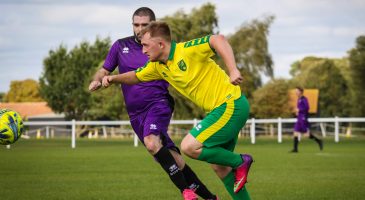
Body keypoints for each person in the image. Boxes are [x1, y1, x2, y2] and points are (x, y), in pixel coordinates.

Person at [102, 21, 253, 200]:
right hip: (222, 110)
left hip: (231, 105)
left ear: (160, 44)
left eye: (145, 45)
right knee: (220, 166)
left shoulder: (186, 50)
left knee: (189, 146)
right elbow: (136, 76)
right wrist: (112, 78)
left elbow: (218, 39)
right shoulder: (157, 66)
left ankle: (240, 161)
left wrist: (233, 69)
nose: (143, 51)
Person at [89, 8, 217, 200]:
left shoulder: (159, 46)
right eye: (136, 24)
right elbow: (104, 70)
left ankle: (186, 192)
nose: (139, 29)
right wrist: (98, 80)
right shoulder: (120, 46)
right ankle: (211, 198)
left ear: (153, 26)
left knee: (151, 142)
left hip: (159, 104)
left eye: (144, 25)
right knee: (172, 160)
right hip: (135, 114)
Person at [290, 87, 323, 153]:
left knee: (306, 134)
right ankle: (295, 149)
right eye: (295, 91)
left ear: (301, 92)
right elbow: (300, 108)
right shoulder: (299, 99)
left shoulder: (304, 99)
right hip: (299, 118)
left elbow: (307, 107)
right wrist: (297, 112)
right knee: (295, 132)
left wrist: (300, 110)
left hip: (303, 118)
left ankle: (319, 141)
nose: (296, 92)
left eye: (297, 91)